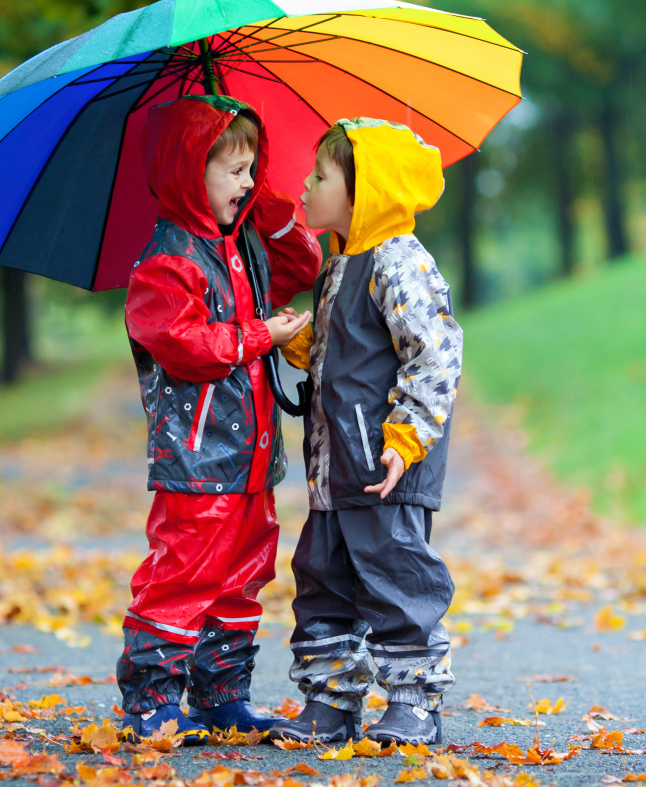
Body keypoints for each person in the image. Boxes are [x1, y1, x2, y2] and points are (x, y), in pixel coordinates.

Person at [118, 94, 321, 744]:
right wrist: (258, 335)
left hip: (252, 452)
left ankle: (220, 692)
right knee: (186, 571)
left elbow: (303, 265)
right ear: (187, 170)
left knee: (245, 572)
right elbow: (184, 346)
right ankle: (153, 698)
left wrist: (263, 204)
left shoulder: (244, 241)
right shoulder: (166, 261)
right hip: (198, 455)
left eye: (252, 167)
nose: (247, 180)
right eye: (234, 169)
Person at [268, 118, 463, 747]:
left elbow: (433, 355)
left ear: (365, 192)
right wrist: (299, 341)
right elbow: (345, 352)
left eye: (320, 176)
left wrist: (404, 440)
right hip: (333, 471)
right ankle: (330, 703)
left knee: (397, 580)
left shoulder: (399, 261)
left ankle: (414, 704)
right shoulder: (341, 264)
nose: (306, 183)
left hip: (385, 467)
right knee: (323, 581)